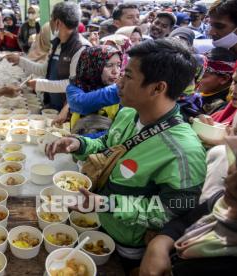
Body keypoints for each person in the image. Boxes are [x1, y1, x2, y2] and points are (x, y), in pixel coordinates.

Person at [46, 39, 206, 271]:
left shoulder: (183, 151)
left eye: (128, 76)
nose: (118, 82)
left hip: (130, 241)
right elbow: (109, 144)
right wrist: (79, 144)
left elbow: (176, 208)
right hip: (97, 219)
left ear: (157, 88)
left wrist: (108, 204)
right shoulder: (128, 113)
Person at [139, 138, 237, 276]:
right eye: (234, 170)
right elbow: (185, 221)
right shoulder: (222, 203)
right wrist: (159, 244)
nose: (228, 182)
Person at [6, 1, 90, 112]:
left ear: (58, 23)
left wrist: (40, 84)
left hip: (69, 111)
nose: (49, 22)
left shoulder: (81, 48)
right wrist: (20, 61)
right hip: (53, 106)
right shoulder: (57, 44)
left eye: (51, 18)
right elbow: (44, 70)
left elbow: (73, 84)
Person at [66, 45, 121, 136]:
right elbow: (82, 103)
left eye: (118, 65)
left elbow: (117, 130)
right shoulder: (76, 87)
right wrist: (119, 89)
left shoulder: (122, 92)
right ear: (92, 65)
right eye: (108, 65)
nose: (115, 71)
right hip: (75, 145)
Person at [199, 47, 237, 115]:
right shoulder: (198, 93)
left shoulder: (222, 108)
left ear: (224, 79)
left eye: (203, 75)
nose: (196, 79)